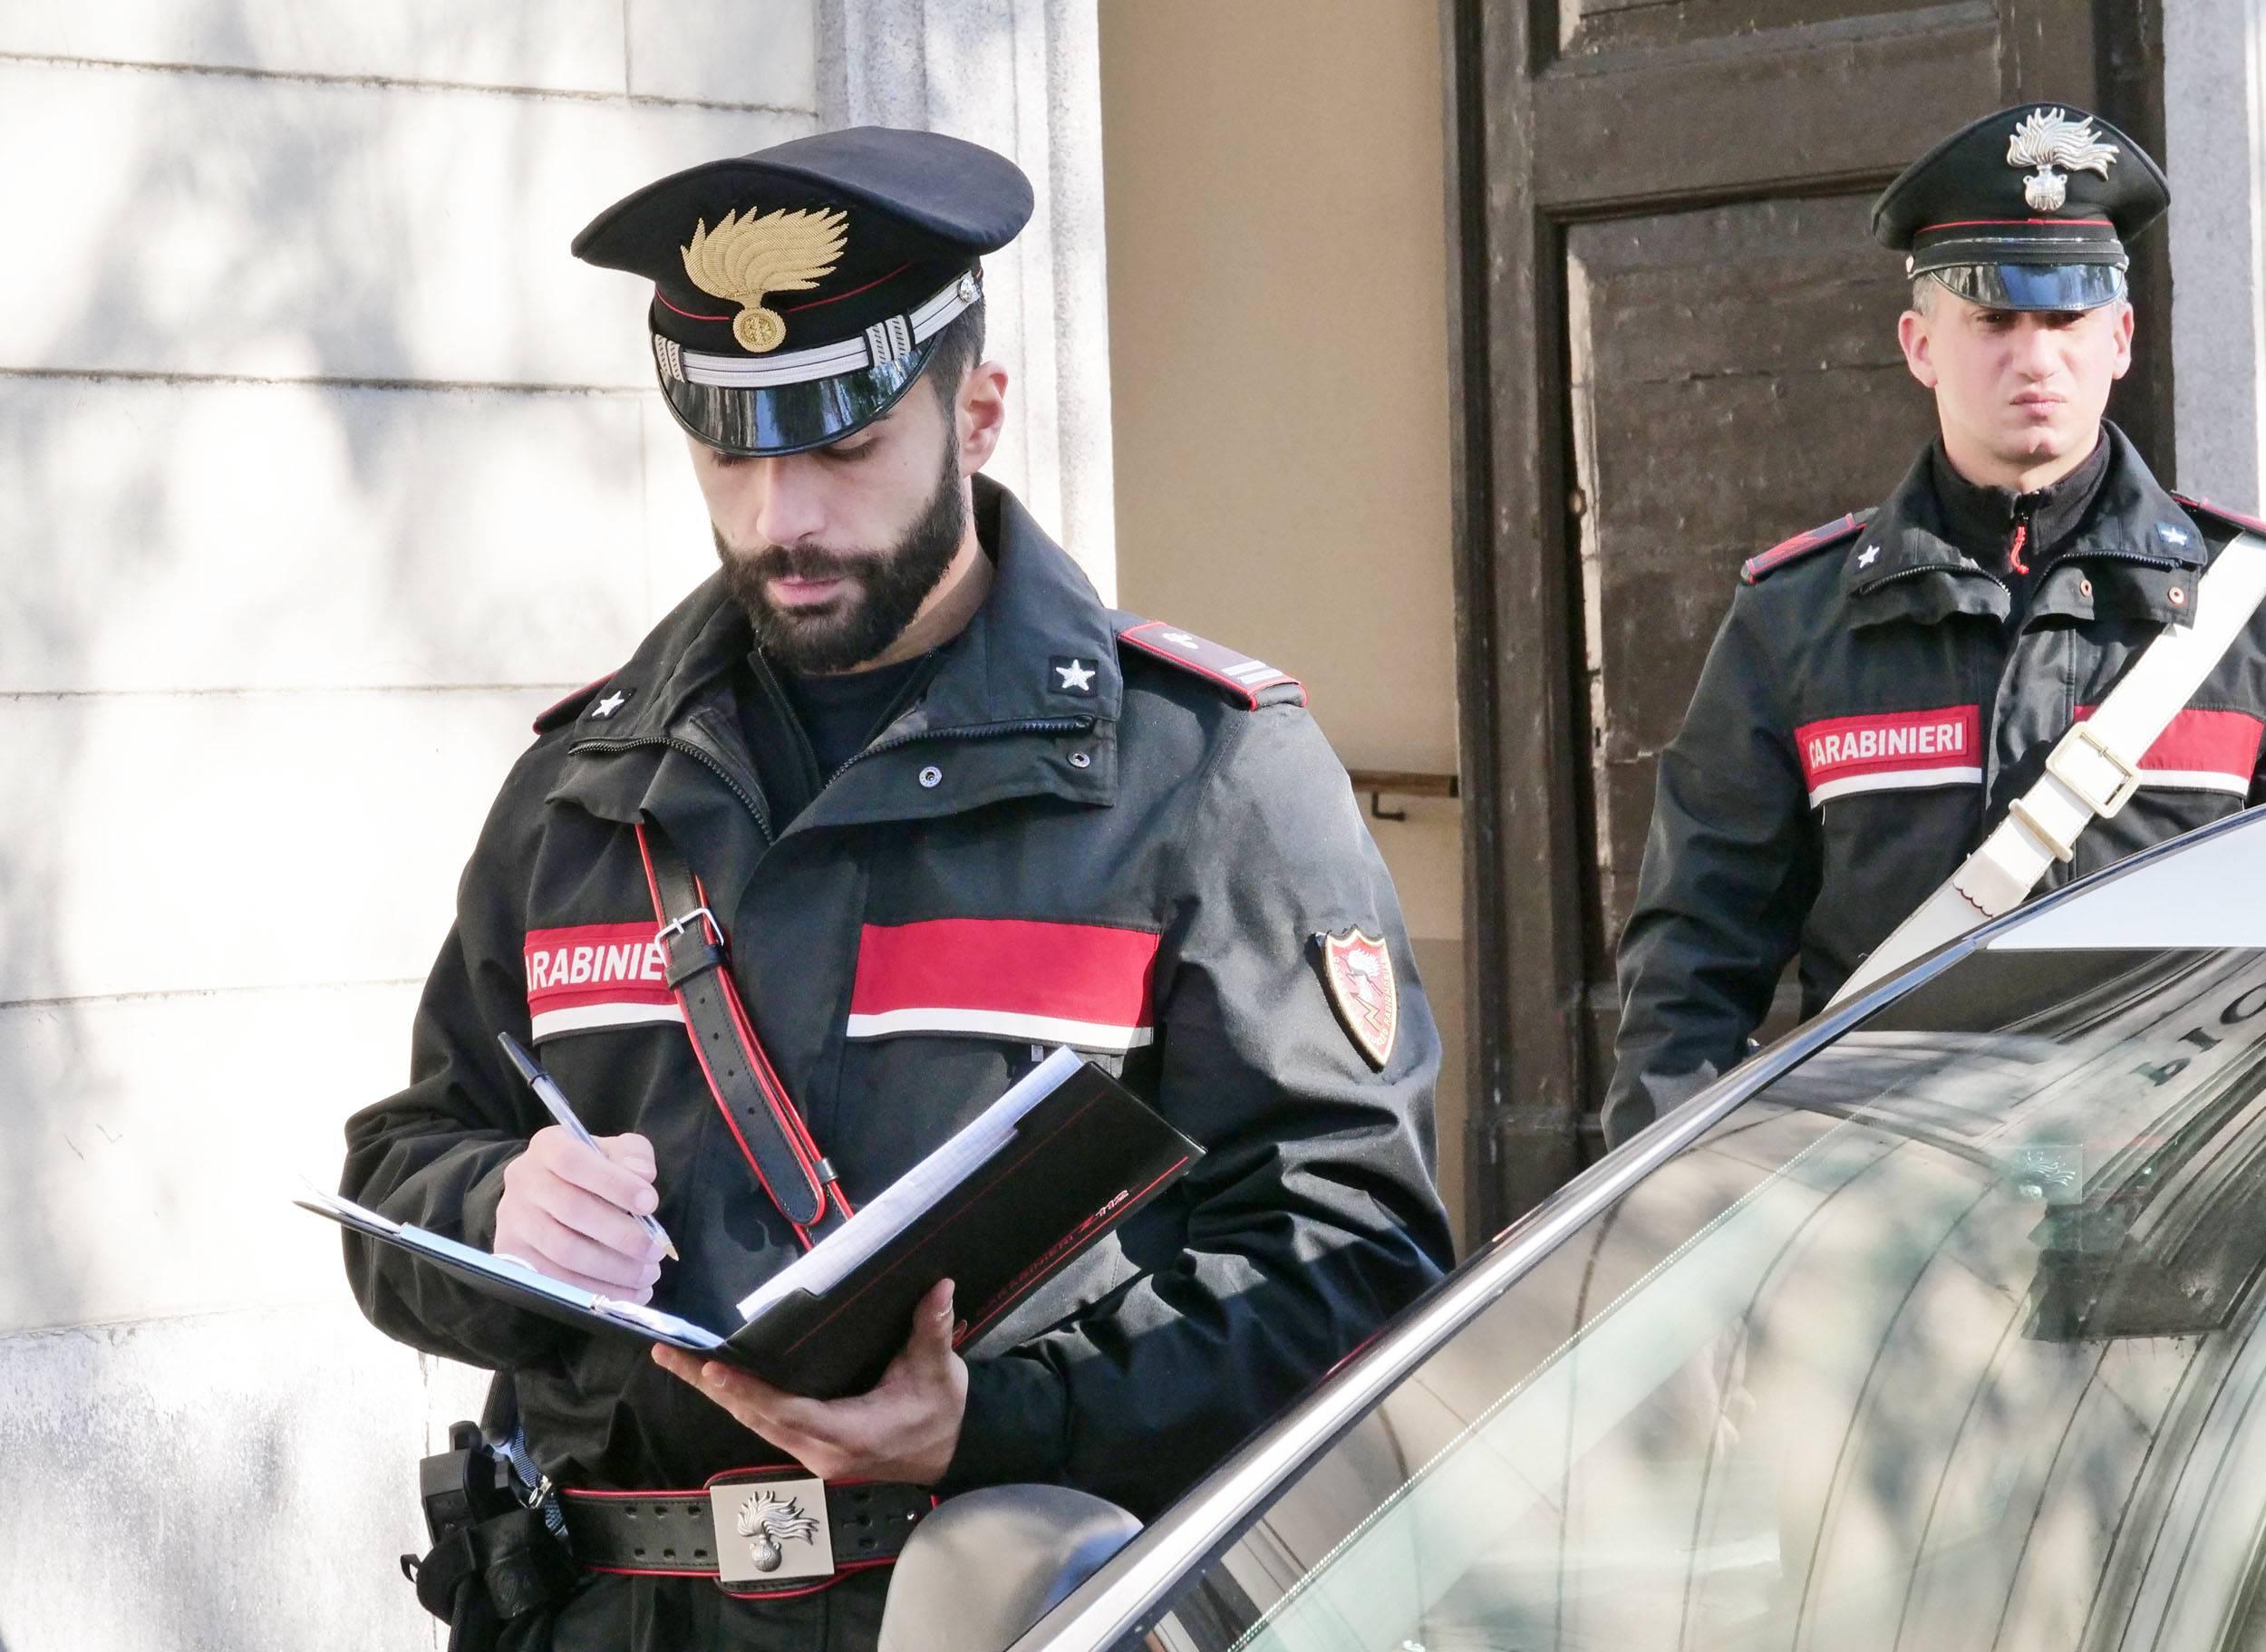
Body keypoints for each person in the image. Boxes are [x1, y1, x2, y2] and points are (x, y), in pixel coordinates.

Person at [338, 125, 1454, 1650]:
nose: (783, 514)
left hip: (998, 1607)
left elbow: (1354, 1253)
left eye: (845, 447)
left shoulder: (1197, 772)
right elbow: (402, 1173)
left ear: (976, 410)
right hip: (609, 1611)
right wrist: (497, 1207)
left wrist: (994, 1418)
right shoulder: (580, 791)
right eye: (732, 454)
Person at [1604, 103, 2266, 1147]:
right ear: (1920, 344)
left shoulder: (2247, 616)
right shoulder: (1796, 620)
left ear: (2120, 339)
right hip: (1893, 1236)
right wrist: (1673, 1210)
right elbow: (1692, 964)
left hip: (2178, 1215)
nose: (2034, 358)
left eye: (2064, 320)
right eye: (1994, 321)